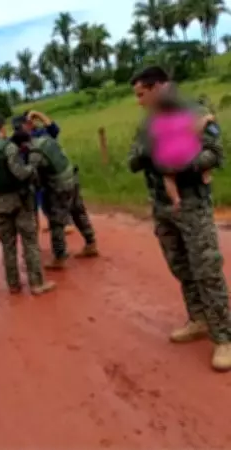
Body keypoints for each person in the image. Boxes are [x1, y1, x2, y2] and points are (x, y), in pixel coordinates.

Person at [128, 65, 231, 371]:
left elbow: (215, 154)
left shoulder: (194, 112)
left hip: (191, 205)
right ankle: (198, 318)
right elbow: (134, 160)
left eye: (142, 94)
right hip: (163, 207)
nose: (139, 101)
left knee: (206, 269)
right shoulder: (149, 123)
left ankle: (224, 337)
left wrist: (178, 163)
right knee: (182, 267)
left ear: (160, 87)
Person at [0, 114, 55, 295]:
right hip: (20, 200)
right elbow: (20, 174)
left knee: (8, 245)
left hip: (0, 203)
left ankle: (13, 284)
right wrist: (32, 167)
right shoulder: (9, 148)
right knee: (29, 242)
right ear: (2, 129)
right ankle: (36, 283)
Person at [20, 129, 98, 269]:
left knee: (56, 221)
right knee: (78, 212)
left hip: (59, 186)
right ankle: (91, 242)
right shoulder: (46, 140)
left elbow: (31, 175)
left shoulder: (34, 153)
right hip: (72, 178)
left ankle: (59, 256)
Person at [149, 83, 215, 212]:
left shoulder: (157, 121)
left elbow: (155, 136)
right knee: (203, 153)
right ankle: (205, 175)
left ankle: (176, 199)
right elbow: (195, 129)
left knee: (168, 178)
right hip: (187, 154)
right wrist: (207, 119)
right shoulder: (183, 117)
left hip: (168, 158)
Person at [13, 111, 75, 235]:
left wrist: (38, 114)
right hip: (34, 176)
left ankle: (66, 223)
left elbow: (54, 129)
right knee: (41, 202)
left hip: (48, 173)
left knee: (56, 200)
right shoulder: (18, 139)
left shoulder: (40, 134)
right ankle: (51, 223)